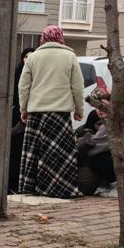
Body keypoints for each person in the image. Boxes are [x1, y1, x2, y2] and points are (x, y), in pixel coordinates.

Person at [18, 25, 84, 198]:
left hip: (37, 114)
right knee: (59, 154)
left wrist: (24, 109)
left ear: (43, 38)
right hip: (60, 114)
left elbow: (23, 87)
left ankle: (32, 186)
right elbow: (77, 87)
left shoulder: (33, 57)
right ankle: (61, 188)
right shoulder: (70, 56)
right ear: (61, 37)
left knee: (36, 152)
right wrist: (79, 109)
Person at [8, 47, 35, 193]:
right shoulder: (17, 73)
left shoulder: (38, 73)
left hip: (33, 112)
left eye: (31, 56)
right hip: (18, 113)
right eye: (26, 57)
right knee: (16, 145)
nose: (28, 59)